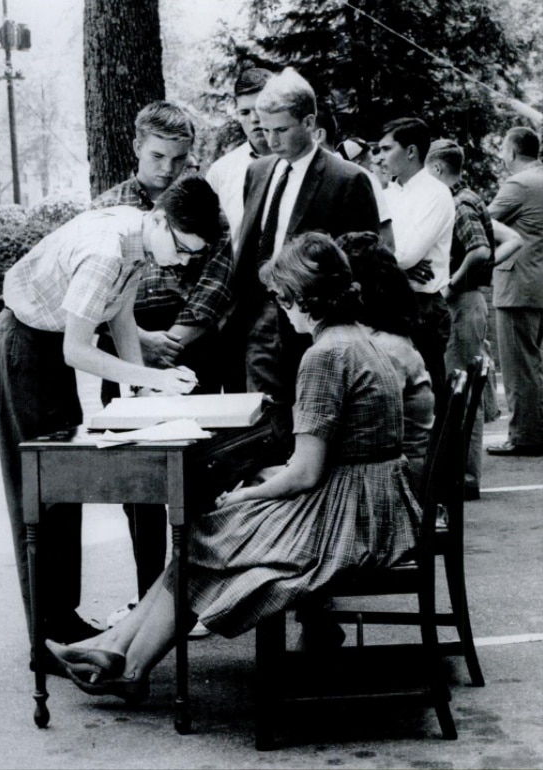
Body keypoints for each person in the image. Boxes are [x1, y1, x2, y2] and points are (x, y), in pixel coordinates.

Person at [45, 230, 421, 702]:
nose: (282, 309)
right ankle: (116, 650)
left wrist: (246, 493)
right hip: (376, 503)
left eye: (284, 299)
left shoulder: (325, 356)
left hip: (351, 518)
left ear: (308, 300)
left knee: (208, 534)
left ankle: (128, 661)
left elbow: (305, 473)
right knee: (208, 534)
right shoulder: (360, 341)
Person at [0, 176, 220, 660]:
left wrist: (139, 393)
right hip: (24, 346)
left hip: (48, 346)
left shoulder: (138, 241)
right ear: (159, 218)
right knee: (36, 488)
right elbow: (77, 349)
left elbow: (119, 319)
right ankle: (42, 639)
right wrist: (152, 380)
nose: (179, 261)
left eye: (191, 255)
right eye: (180, 247)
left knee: (65, 486)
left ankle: (62, 617)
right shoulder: (107, 250)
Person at [90, 103, 232, 627]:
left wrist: (177, 339)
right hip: (127, 345)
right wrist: (142, 345)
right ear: (135, 148)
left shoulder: (206, 208)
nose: (168, 168)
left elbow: (219, 279)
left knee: (197, 478)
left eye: (179, 158)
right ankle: (149, 594)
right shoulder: (107, 207)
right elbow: (94, 292)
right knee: (139, 483)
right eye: (157, 156)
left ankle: (192, 594)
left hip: (193, 345)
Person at [234, 67, 380, 446]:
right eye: (264, 129)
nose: (270, 139)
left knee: (310, 430)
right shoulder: (258, 171)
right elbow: (249, 247)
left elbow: (362, 266)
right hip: (258, 324)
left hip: (313, 328)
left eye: (280, 130)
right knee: (262, 430)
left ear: (309, 121)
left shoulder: (347, 179)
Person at [424, 139, 525, 497]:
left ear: (436, 169)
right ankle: (460, 473)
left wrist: (454, 284)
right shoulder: (466, 198)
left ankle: (465, 477)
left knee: (461, 390)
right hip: (469, 300)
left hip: (462, 303)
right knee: (461, 386)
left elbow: (481, 250)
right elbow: (510, 241)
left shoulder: (459, 203)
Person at [337, 231, 434, 494]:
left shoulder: (384, 350)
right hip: (396, 471)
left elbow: (364, 433)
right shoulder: (390, 339)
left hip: (394, 483)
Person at [378, 117, 455, 412]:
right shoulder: (389, 194)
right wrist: (396, 263)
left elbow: (407, 253)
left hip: (422, 309)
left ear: (411, 151)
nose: (380, 156)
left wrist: (393, 261)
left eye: (387, 148)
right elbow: (383, 250)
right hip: (393, 305)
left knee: (427, 400)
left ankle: (436, 460)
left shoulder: (435, 194)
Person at [206, 66, 273, 393]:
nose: (255, 120)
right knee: (236, 393)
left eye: (261, 109)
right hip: (237, 301)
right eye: (245, 112)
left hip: (292, 298)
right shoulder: (223, 171)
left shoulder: (306, 164)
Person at [486, 126, 543, 456]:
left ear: (511, 152)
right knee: (535, 365)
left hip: (518, 284)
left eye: (502, 149)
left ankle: (524, 436)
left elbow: (481, 220)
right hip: (537, 284)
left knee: (519, 367)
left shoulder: (519, 184)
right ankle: (535, 430)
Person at [336, 137, 395, 252]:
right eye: (370, 163)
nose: (372, 168)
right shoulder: (367, 178)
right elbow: (389, 242)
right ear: (358, 163)